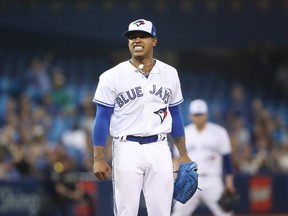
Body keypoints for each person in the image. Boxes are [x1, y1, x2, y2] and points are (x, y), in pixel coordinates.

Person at [92, 18, 192, 216]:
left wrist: (183, 154)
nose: (136, 40)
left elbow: (176, 115)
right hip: (126, 148)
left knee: (161, 211)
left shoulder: (170, 73)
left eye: (142, 36)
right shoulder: (111, 76)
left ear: (154, 40)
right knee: (126, 211)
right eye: (132, 37)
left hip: (159, 147)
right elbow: (102, 119)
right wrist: (98, 157)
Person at [172, 99, 236, 216]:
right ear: (190, 115)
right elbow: (176, 159)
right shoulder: (183, 133)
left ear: (206, 114)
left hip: (212, 179)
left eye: (200, 114)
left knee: (225, 213)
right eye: (196, 114)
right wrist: (176, 179)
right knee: (178, 213)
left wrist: (229, 183)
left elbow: (227, 160)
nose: (198, 117)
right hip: (189, 179)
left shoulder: (219, 132)